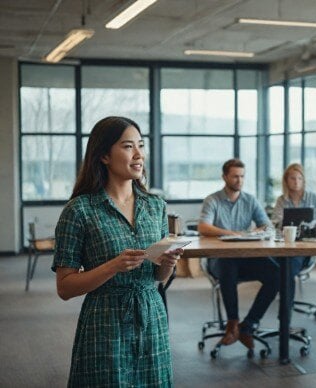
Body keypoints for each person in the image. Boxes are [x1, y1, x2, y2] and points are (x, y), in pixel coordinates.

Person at [52, 116, 179, 387]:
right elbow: (64, 288)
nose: (138, 154)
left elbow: (158, 278)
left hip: (152, 317)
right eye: (127, 146)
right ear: (104, 156)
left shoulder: (156, 206)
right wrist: (113, 266)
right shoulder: (79, 211)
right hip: (105, 323)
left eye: (141, 146)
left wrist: (168, 263)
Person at [198, 158, 279, 350]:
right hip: (219, 260)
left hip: (245, 257)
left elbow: (267, 225)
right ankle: (232, 324)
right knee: (227, 263)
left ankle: (248, 325)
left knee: (276, 273)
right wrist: (231, 233)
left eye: (242, 176)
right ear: (224, 176)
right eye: (235, 176)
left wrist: (258, 231)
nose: (239, 180)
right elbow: (203, 226)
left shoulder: (249, 200)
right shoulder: (213, 200)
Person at [270, 163, 316, 313]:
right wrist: (282, 222)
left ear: (304, 180)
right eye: (292, 178)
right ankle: (285, 317)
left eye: (299, 178)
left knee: (286, 269)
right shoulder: (281, 200)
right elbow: (274, 223)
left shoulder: (314, 198)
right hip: (284, 248)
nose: (296, 182)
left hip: (306, 249)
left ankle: (285, 316)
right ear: (286, 181)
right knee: (280, 268)